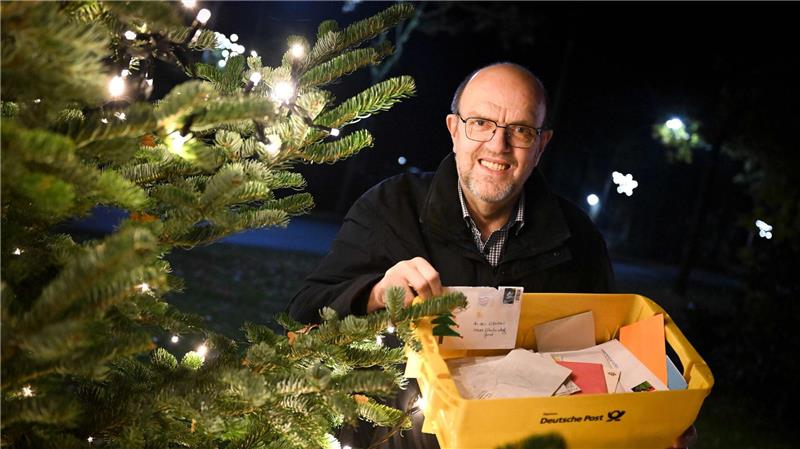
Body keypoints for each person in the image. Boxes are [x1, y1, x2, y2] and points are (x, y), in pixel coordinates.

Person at [288, 62, 695, 449]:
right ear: (454, 129)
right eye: (480, 123)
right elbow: (305, 312)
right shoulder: (391, 207)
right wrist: (375, 293)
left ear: (541, 144)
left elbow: (609, 364)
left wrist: (652, 422)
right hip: (390, 440)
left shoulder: (579, 240)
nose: (497, 146)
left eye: (519, 129)